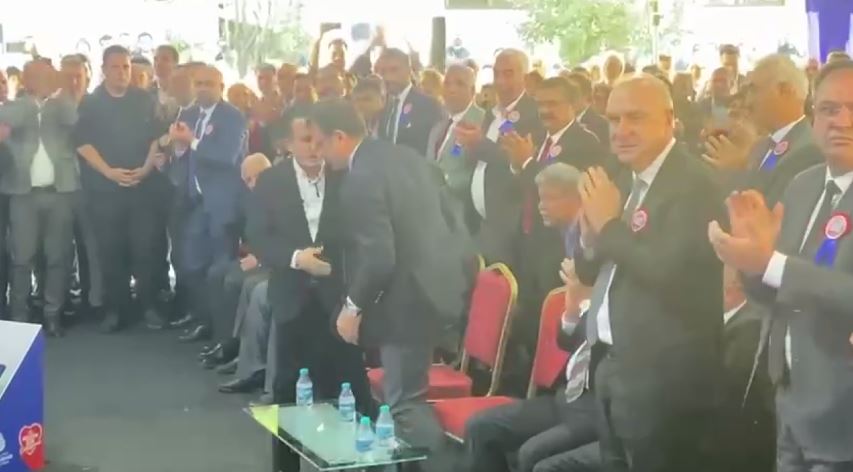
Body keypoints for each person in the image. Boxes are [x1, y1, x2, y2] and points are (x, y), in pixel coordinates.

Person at [575, 74, 725, 471]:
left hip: (663, 377)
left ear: (669, 119)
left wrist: (609, 226)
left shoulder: (695, 184)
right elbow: (589, 271)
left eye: (635, 118)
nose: (621, 130)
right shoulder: (619, 175)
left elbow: (666, 272)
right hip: (611, 364)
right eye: (613, 119)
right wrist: (589, 238)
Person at [709, 59, 853, 472]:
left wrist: (769, 262)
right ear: (813, 117)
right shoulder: (803, 184)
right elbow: (775, 289)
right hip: (790, 398)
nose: (841, 121)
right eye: (829, 109)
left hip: (842, 413)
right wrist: (750, 264)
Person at [312, 98, 468, 472]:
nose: (318, 153)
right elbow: (453, 222)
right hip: (435, 290)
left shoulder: (362, 176)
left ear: (338, 136)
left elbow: (378, 256)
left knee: (405, 405)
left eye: (319, 143)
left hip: (407, 303)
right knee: (403, 401)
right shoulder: (406, 157)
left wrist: (352, 307)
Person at [500, 77, 606, 351]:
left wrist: (526, 162)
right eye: (541, 104)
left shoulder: (584, 143)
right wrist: (517, 166)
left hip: (557, 249)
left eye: (553, 104)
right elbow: (522, 189)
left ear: (573, 105)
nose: (545, 110)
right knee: (522, 321)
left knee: (545, 327)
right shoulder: (535, 138)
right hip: (527, 241)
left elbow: (562, 190)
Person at [74, 45, 163, 333]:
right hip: (105, 190)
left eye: (126, 67)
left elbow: (157, 138)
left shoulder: (144, 99)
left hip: (142, 188)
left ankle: (148, 306)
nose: (122, 72)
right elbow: (83, 144)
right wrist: (109, 172)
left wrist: (146, 169)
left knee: (145, 250)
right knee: (111, 252)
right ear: (104, 70)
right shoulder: (91, 102)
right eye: (115, 67)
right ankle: (116, 310)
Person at [164, 65, 247, 343]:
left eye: (209, 84)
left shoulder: (232, 116)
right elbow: (181, 154)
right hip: (195, 201)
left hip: (223, 202)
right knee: (190, 263)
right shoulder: (188, 114)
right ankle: (204, 319)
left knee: (220, 268)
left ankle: (224, 330)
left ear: (221, 87)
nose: (202, 89)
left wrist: (192, 141)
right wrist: (178, 145)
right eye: (198, 83)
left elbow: (226, 156)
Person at [0, 60, 79, 337]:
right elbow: (9, 119)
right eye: (35, 75)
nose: (42, 80)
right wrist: (35, 102)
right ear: (26, 79)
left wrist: (57, 94)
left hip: (59, 192)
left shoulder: (62, 104)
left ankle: (52, 314)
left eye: (46, 75)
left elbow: (73, 119)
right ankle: (19, 317)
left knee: (57, 256)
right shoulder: (17, 106)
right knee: (21, 258)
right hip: (23, 194)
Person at [456, 48, 542, 268]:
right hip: (480, 223)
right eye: (497, 74)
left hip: (509, 228)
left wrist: (480, 144)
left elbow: (516, 162)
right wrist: (468, 145)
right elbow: (481, 161)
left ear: (525, 78)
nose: (501, 81)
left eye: (508, 74)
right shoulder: (491, 113)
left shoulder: (533, 114)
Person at [707, 54, 822, 206]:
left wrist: (734, 172)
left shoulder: (807, 153)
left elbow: (768, 210)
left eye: (754, 90)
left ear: (784, 91)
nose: (747, 102)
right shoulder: (764, 146)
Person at [426, 64, 484, 200]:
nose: (451, 89)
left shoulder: (482, 122)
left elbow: (482, 173)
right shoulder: (438, 127)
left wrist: (443, 188)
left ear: (472, 91)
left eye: (460, 84)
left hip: (464, 207)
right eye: (447, 83)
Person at [376, 48, 445, 157]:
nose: (388, 77)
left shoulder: (428, 105)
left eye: (394, 70)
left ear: (409, 70)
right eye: (383, 72)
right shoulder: (383, 106)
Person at [564, 72, 609, 146]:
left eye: (573, 93)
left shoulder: (602, 125)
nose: (568, 98)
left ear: (586, 95)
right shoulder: (557, 121)